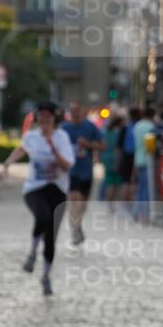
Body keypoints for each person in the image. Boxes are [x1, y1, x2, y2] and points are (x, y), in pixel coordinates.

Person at [0, 100, 73, 296]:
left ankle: (46, 277)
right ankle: (32, 252)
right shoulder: (31, 136)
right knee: (43, 217)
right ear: (38, 118)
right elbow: (21, 149)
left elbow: (67, 166)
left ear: (54, 118)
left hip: (57, 189)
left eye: (49, 115)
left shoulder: (62, 138)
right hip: (35, 188)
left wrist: (53, 148)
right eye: (42, 115)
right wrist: (6, 165)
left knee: (51, 237)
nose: (45, 119)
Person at [61, 101, 102, 244]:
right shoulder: (64, 128)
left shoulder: (90, 127)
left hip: (86, 170)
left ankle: (78, 226)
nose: (75, 113)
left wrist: (88, 144)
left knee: (82, 202)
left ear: (82, 111)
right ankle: (75, 230)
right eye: (72, 110)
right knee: (74, 199)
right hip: (70, 171)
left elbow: (103, 145)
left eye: (77, 110)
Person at [131, 106, 157, 223]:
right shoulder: (150, 127)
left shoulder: (137, 126)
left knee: (141, 188)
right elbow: (151, 146)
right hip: (148, 160)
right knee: (147, 189)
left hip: (138, 159)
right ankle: (145, 215)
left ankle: (135, 213)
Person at [98, 115, 124, 210]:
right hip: (116, 159)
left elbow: (100, 146)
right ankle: (113, 202)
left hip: (106, 158)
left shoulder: (103, 132)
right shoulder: (118, 133)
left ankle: (109, 203)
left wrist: (99, 157)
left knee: (109, 181)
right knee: (116, 182)